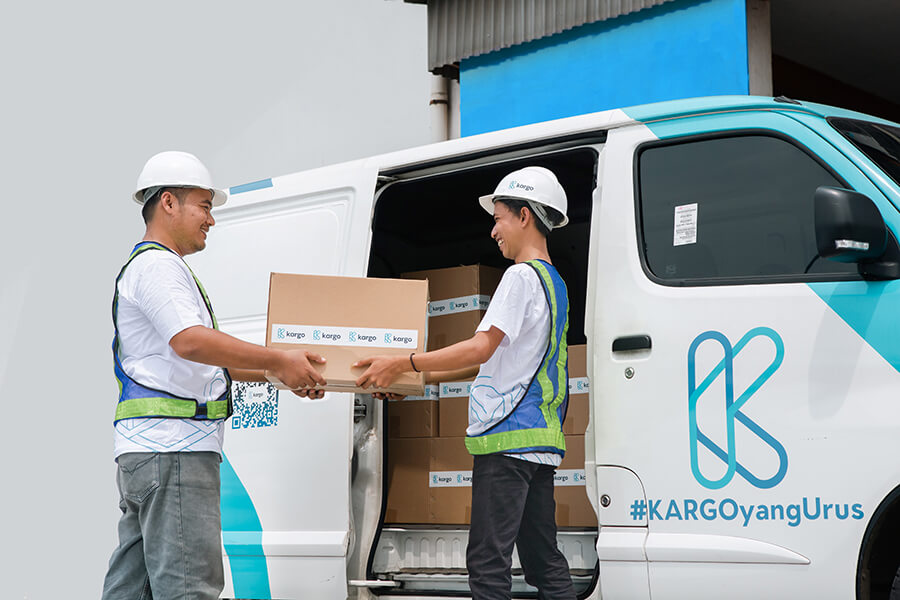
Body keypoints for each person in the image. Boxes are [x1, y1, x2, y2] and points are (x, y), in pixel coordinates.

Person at [101, 151, 326, 600]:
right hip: (174, 449)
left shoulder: (154, 267)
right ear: (168, 202)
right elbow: (190, 341)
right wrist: (277, 359)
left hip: (149, 452)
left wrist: (280, 372)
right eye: (204, 206)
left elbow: (202, 360)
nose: (211, 220)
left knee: (132, 589)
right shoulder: (158, 267)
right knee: (189, 589)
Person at [355, 165, 577, 599]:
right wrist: (406, 377)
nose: (494, 231)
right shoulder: (556, 284)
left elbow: (478, 348)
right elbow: (491, 362)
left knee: (487, 565)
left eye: (498, 218)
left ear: (525, 216)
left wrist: (406, 360)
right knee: (543, 560)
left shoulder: (519, 276)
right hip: (537, 444)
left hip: (506, 443)